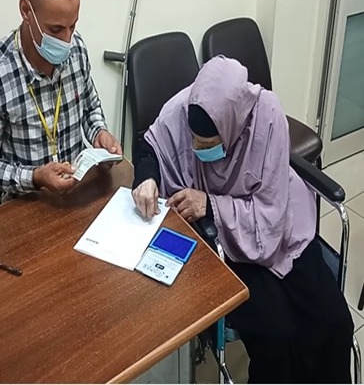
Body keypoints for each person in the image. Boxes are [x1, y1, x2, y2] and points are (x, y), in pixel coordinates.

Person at [131, 55, 354, 383]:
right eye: (193, 139)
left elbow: (272, 212)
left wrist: (210, 203)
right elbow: (148, 147)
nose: (195, 148)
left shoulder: (267, 115)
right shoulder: (182, 109)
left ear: (234, 126)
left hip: (280, 230)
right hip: (225, 242)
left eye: (207, 144)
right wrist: (147, 179)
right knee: (278, 339)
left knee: (335, 322)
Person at [0, 0, 122, 202]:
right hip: (28, 203)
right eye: (56, 29)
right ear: (26, 10)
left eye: (73, 26)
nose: (67, 40)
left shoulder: (77, 50)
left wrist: (99, 132)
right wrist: (34, 177)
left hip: (78, 193)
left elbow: (90, 107)